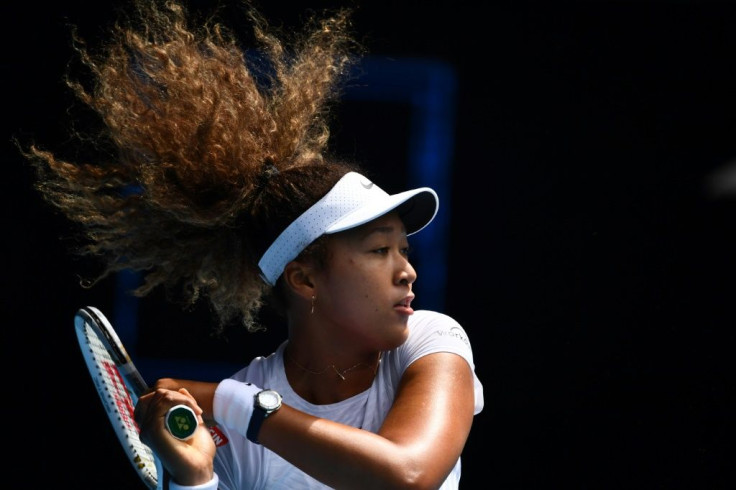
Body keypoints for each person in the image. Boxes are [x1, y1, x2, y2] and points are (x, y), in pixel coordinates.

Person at [21, 1, 484, 488]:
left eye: (404, 251)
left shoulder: (431, 342)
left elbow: (408, 475)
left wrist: (228, 402)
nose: (406, 271)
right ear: (305, 278)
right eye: (378, 251)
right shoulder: (232, 423)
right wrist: (195, 478)